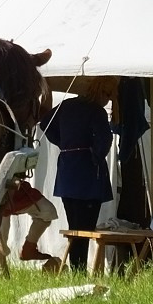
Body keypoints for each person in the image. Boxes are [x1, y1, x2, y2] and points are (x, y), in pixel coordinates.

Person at [39, 78, 116, 272]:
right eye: (108, 95)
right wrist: (95, 156)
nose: (108, 100)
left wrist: (64, 144)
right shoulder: (96, 111)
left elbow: (45, 123)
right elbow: (104, 140)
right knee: (85, 228)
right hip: (87, 175)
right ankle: (79, 270)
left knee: (74, 225)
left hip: (67, 171)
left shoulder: (66, 105)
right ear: (101, 91)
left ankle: (77, 269)